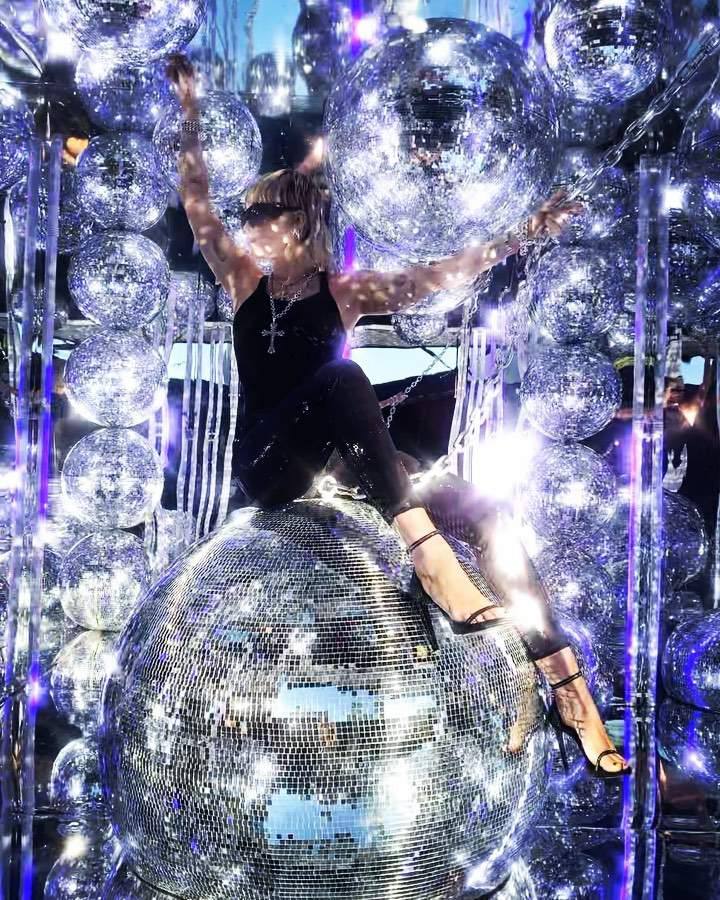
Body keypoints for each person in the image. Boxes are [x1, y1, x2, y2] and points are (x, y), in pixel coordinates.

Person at [167, 54, 630, 778]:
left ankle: (568, 689)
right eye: (247, 215)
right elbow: (196, 198)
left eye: (260, 213)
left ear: (298, 220)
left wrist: (527, 229)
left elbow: (442, 273)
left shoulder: (343, 292)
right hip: (267, 464)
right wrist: (191, 109)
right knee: (342, 375)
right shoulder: (242, 280)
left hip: (341, 469)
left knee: (486, 514)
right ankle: (428, 556)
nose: (246, 224)